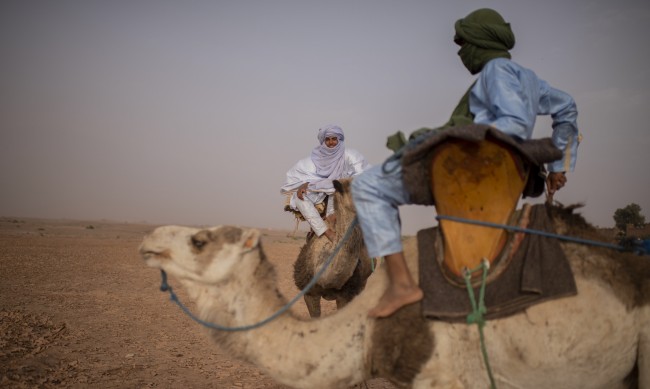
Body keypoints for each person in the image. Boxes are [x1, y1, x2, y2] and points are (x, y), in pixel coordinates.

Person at [351, 8, 580, 318]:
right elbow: (567, 107)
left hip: (473, 169)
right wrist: (559, 166)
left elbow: (510, 125)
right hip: (506, 173)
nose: (460, 52)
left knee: (367, 185)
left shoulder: (496, 71)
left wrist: (459, 135)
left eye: (463, 43)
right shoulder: (529, 79)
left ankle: (401, 285)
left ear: (478, 42)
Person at [282, 124, 369, 242]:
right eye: (327, 139)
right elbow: (297, 175)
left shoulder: (350, 155)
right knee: (298, 198)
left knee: (336, 196)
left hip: (343, 192)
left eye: (334, 139)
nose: (331, 142)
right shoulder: (316, 158)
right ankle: (325, 231)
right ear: (323, 141)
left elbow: (361, 175)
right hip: (321, 192)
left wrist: (330, 183)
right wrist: (306, 183)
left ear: (339, 139)